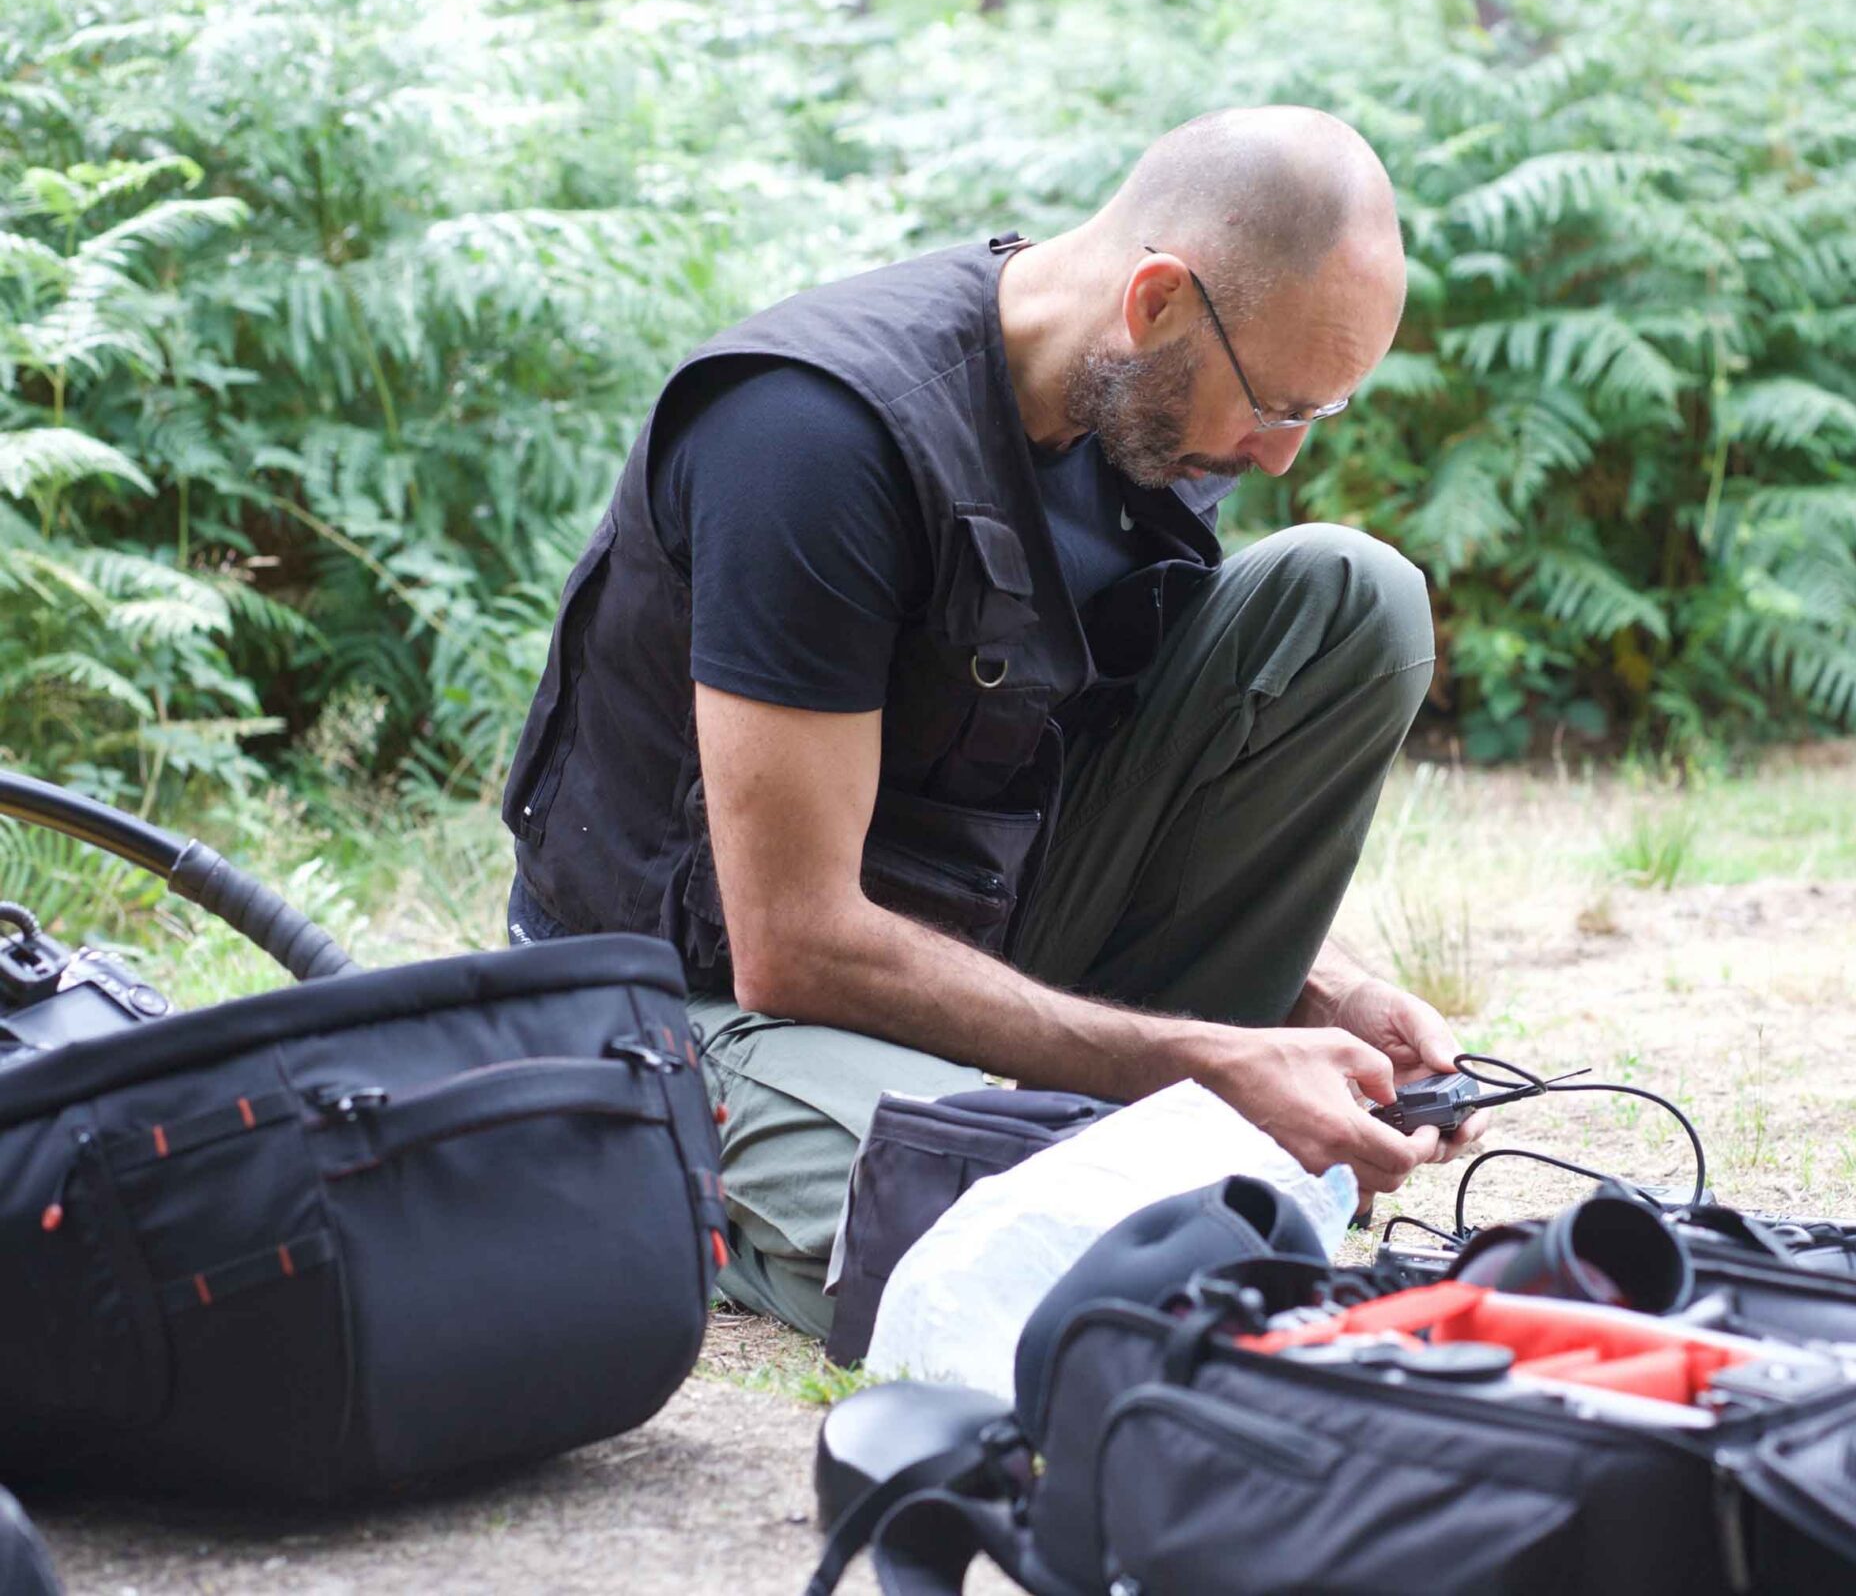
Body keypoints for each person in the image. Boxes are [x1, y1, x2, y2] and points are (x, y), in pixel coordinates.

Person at [499, 106, 1488, 1337]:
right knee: (1034, 1241)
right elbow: (790, 943)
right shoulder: (810, 436)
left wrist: (1320, 992)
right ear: (1156, 303)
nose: (1278, 458)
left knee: (1354, 597)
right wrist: (1201, 1064)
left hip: (970, 917)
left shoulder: (1141, 416)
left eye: (1316, 415)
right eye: (1280, 405)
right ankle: (667, 1183)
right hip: (701, 995)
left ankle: (1065, 1115)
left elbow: (1104, 751)